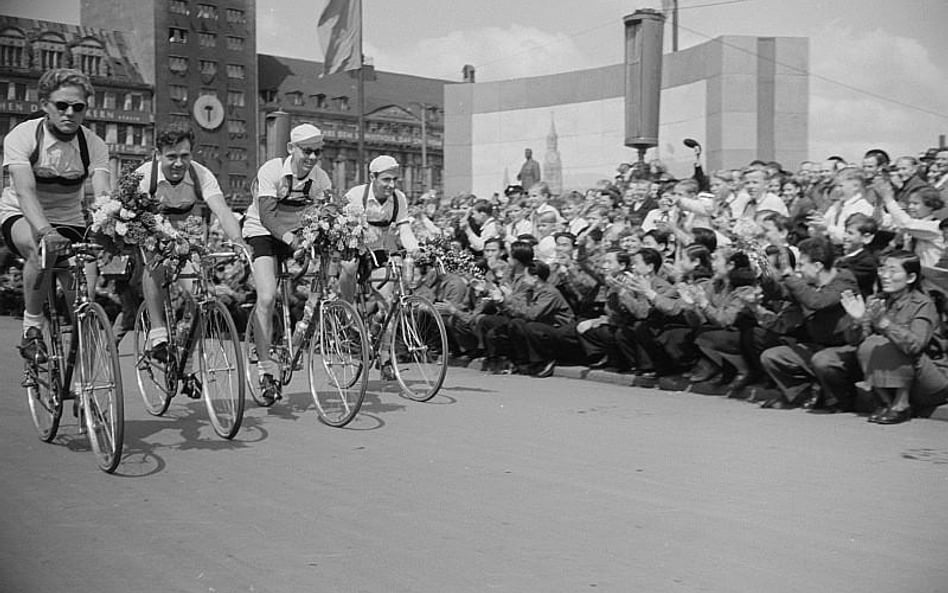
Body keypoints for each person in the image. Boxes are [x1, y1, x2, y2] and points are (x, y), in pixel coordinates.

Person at [0, 68, 111, 362]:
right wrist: (46, 231)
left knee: (84, 298)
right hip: (22, 214)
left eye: (78, 107)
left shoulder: (94, 144)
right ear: (44, 104)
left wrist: (112, 228)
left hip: (70, 219)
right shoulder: (23, 135)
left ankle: (83, 382)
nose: (70, 113)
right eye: (61, 105)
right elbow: (24, 192)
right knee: (43, 251)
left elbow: (102, 195)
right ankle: (32, 328)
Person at [133, 124, 245, 396]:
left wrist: (238, 240)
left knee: (201, 295)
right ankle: (158, 332)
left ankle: (188, 361)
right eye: (171, 156)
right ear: (158, 154)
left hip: (187, 232)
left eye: (184, 155)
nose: (178, 163)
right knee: (154, 263)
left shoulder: (200, 174)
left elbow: (221, 209)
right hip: (153, 231)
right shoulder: (144, 176)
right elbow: (130, 217)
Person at [242, 123, 332, 402]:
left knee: (308, 288)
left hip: (296, 234)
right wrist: (292, 241)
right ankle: (265, 369)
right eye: (307, 151)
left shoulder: (321, 178)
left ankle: (295, 337)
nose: (313, 158)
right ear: (291, 149)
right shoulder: (271, 170)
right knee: (267, 297)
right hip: (263, 232)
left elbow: (328, 212)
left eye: (318, 152)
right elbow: (267, 216)